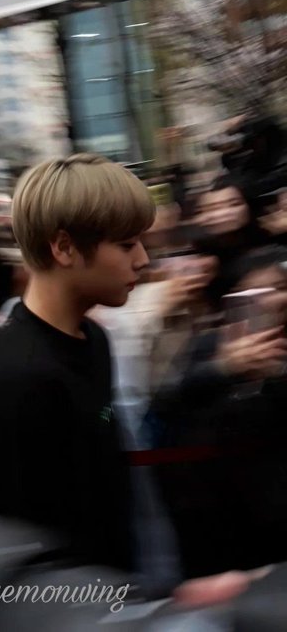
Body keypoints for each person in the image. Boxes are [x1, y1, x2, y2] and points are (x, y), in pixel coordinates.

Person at [0, 154, 156, 573]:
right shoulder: (20, 379)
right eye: (127, 244)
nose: (143, 259)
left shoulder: (94, 339)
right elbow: (19, 545)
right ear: (64, 247)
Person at [151, 245, 287, 577]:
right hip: (213, 511)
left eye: (279, 288)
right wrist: (225, 368)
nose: (270, 300)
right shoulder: (209, 345)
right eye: (254, 292)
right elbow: (167, 403)